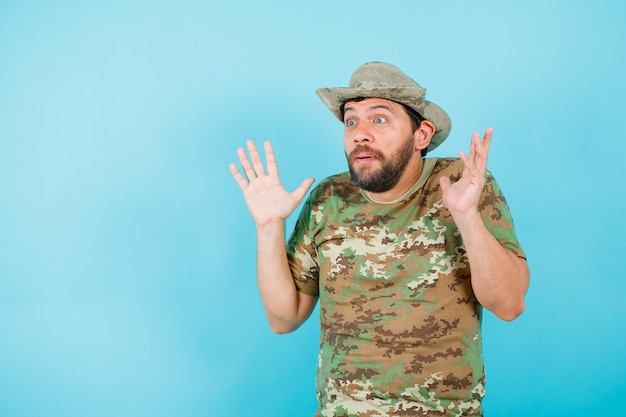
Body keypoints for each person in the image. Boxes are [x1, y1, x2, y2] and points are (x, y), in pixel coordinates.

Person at [229, 62, 529, 417]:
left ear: (422, 135)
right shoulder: (329, 198)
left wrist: (466, 216)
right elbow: (285, 318)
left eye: (380, 119)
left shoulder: (462, 182)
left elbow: (509, 305)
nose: (360, 133)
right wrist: (268, 226)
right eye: (351, 121)